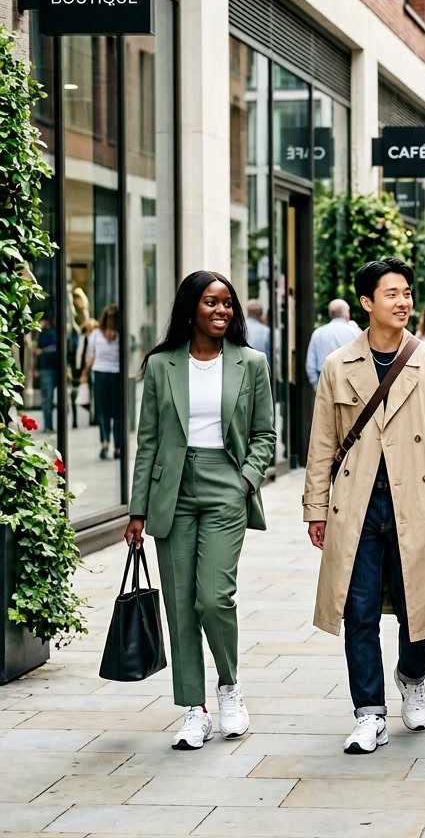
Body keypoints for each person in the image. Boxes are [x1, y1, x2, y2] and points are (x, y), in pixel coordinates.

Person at [303, 258, 425, 755]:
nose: (403, 302)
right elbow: (322, 442)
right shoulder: (339, 365)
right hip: (358, 505)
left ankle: (413, 678)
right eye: (391, 294)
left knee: (419, 604)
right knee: (357, 611)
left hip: (417, 503)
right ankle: (369, 713)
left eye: (406, 293)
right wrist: (316, 507)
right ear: (366, 302)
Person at [125, 271, 276, 750]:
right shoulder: (162, 364)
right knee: (179, 604)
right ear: (191, 308)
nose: (221, 310)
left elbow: (265, 434)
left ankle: (230, 687)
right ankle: (194, 708)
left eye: (227, 303)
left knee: (213, 598)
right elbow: (148, 442)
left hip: (225, 484)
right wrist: (137, 510)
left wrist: (244, 480)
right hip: (172, 491)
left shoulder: (251, 362)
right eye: (211, 302)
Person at [81, 304, 123, 460]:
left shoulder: (95, 335)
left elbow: (90, 357)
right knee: (118, 414)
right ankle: (118, 447)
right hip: (117, 375)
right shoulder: (121, 334)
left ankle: (105, 443)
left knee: (102, 412)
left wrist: (85, 373)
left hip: (100, 374)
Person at [305, 299, 360, 389]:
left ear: (330, 314)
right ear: (346, 314)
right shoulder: (355, 332)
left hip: (324, 380)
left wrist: (316, 385)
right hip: (349, 382)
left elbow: (310, 363)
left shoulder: (318, 333)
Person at [35, 316, 58, 433]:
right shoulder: (41, 334)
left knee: (48, 399)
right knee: (47, 399)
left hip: (50, 369)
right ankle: (48, 425)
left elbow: (55, 347)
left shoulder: (51, 333)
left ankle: (49, 426)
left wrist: (42, 351)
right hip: (46, 369)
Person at [244, 300, 272, 373]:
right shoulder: (266, 331)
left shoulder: (241, 327)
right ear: (261, 314)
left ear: (248, 312)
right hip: (259, 369)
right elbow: (269, 353)